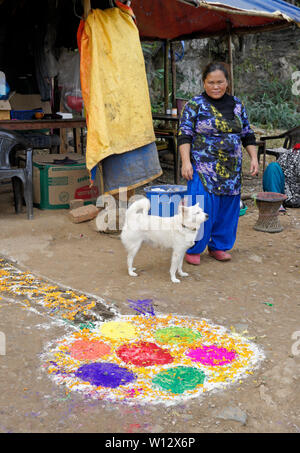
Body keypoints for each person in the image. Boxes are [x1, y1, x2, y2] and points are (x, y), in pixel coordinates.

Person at [178, 62, 259, 265]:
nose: (216, 86)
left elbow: (247, 134)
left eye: (220, 82)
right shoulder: (194, 105)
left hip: (231, 170)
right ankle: (193, 248)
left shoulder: (237, 105)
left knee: (227, 210)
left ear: (227, 82)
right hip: (203, 168)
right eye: (211, 82)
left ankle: (219, 246)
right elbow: (184, 135)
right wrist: (186, 162)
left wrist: (254, 158)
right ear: (204, 83)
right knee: (200, 206)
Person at [262, 144, 300, 209]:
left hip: (295, 193)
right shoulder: (293, 153)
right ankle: (276, 203)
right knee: (272, 168)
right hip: (284, 191)